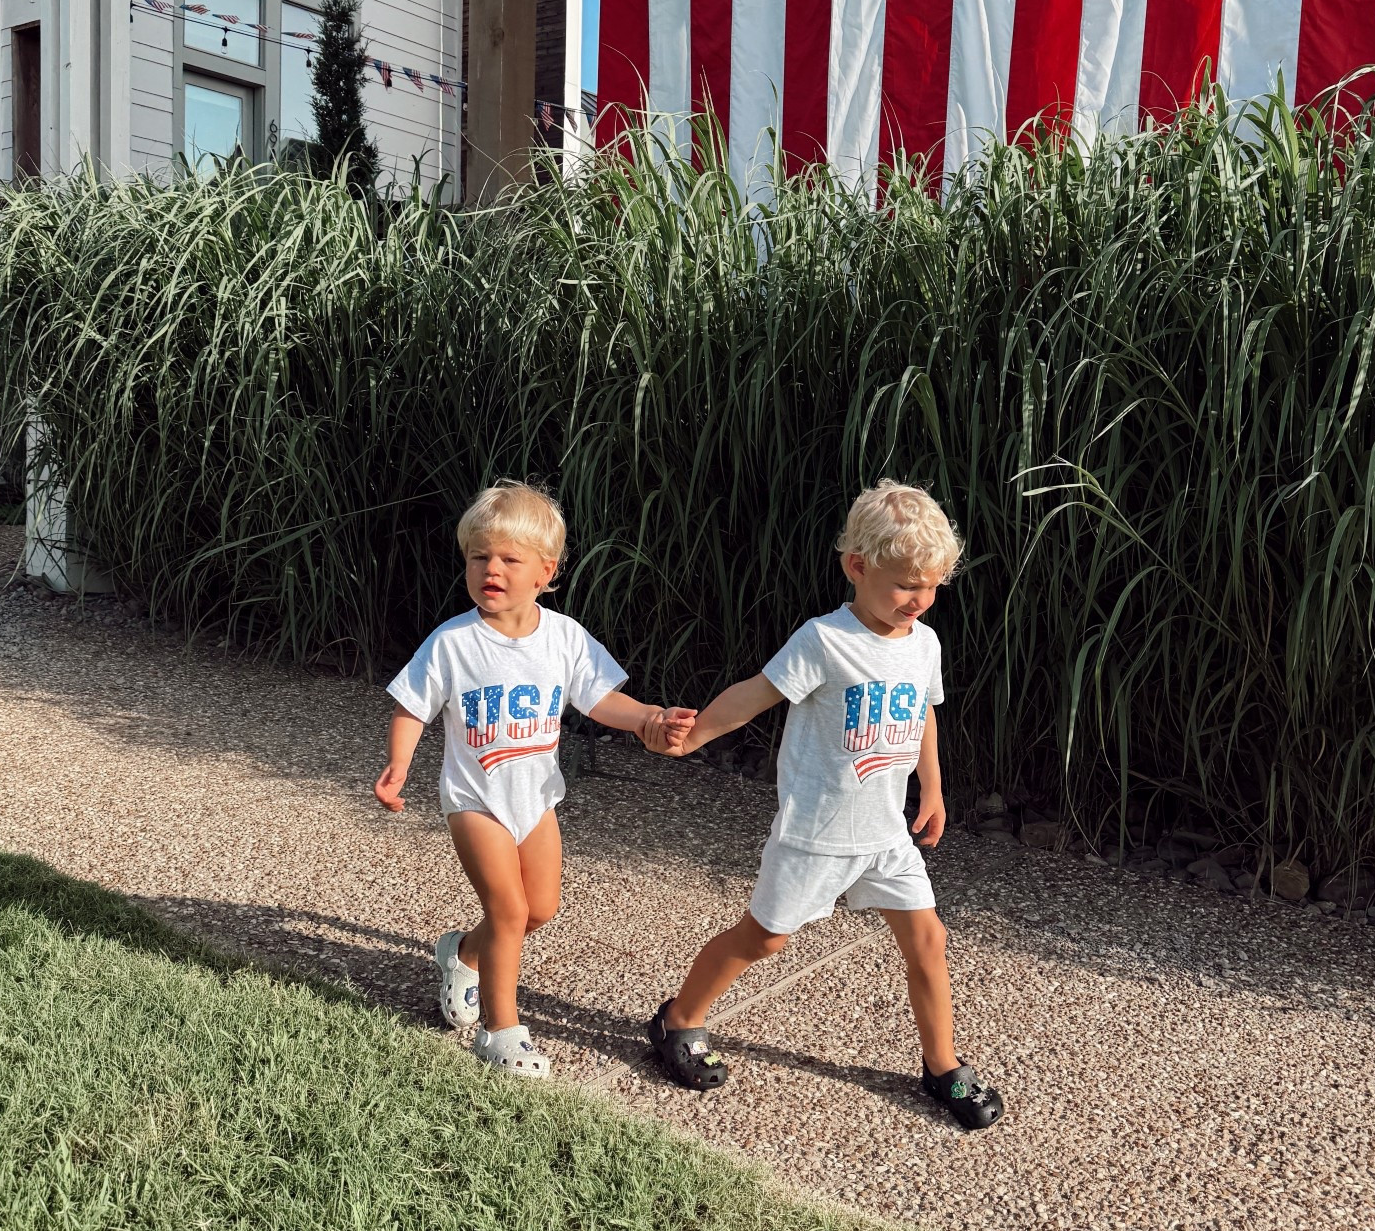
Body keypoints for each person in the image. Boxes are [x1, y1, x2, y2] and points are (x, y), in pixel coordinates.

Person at [643, 480, 1004, 1130]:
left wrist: (935, 787)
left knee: (929, 940)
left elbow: (922, 712)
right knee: (765, 940)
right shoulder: (824, 641)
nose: (918, 601)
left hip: (885, 836)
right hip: (816, 835)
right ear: (857, 568)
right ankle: (679, 1020)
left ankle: (942, 1066)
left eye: (931, 587)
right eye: (903, 586)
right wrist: (691, 737)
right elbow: (754, 695)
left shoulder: (923, 643)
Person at [376, 482, 691, 1078]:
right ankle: (501, 1032)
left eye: (508, 559)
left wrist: (649, 718)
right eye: (478, 557)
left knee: (538, 909)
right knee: (508, 909)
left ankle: (462, 954)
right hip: (475, 801)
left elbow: (602, 700)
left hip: (536, 801)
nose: (490, 569)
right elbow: (412, 705)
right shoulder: (453, 642)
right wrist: (399, 766)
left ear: (546, 571)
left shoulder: (564, 637)